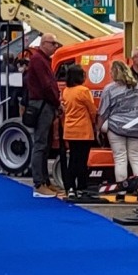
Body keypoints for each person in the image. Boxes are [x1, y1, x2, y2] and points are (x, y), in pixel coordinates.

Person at [100, 57, 138, 187]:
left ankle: (121, 190)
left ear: (114, 72)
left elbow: (103, 111)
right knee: (136, 158)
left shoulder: (109, 89)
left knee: (120, 158)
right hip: (136, 127)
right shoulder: (137, 87)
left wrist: (99, 127)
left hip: (116, 127)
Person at [22, 37, 60, 193]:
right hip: (43, 104)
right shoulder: (38, 60)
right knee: (40, 144)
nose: (56, 46)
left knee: (44, 144)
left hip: (45, 104)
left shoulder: (42, 59)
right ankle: (39, 183)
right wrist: (57, 102)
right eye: (53, 44)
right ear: (44, 44)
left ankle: (45, 180)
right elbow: (46, 85)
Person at [56, 63, 98, 199]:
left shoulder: (66, 91)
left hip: (70, 129)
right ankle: (81, 187)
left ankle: (70, 187)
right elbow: (92, 110)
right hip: (83, 130)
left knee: (73, 159)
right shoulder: (84, 91)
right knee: (82, 160)